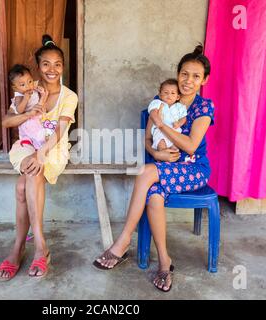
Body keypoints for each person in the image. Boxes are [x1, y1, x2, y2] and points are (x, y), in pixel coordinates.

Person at [93, 45, 215, 293]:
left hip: (194, 169)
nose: (188, 81)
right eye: (184, 74)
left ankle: (124, 240)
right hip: (164, 165)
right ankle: (164, 262)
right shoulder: (160, 102)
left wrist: (162, 124)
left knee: (146, 172)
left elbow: (191, 146)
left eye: (195, 76)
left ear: (204, 80)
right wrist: (156, 152)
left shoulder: (204, 107)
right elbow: (148, 139)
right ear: (177, 73)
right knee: (154, 195)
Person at [0, 35, 78, 281]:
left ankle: (21, 247)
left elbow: (61, 130)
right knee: (28, 179)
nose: (52, 70)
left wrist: (41, 154)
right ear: (38, 66)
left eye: (58, 64)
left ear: (63, 67)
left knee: (24, 184)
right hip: (26, 146)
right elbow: (7, 121)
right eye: (46, 64)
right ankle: (40, 246)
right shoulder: (27, 92)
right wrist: (29, 111)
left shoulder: (69, 96)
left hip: (53, 148)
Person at [7, 64, 49, 173]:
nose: (28, 86)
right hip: (27, 122)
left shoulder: (33, 88)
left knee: (43, 134)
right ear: (15, 88)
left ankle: (40, 149)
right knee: (35, 136)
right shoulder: (19, 96)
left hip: (37, 118)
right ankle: (35, 149)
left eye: (29, 81)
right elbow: (20, 110)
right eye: (22, 84)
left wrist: (43, 94)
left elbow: (39, 103)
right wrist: (26, 98)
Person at [148, 79, 187, 152]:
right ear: (160, 95)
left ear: (177, 97)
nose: (169, 95)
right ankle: (163, 154)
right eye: (166, 92)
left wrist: (179, 123)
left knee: (175, 149)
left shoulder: (180, 106)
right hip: (160, 131)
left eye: (173, 93)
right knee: (161, 144)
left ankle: (171, 158)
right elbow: (152, 112)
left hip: (175, 133)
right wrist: (157, 121)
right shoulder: (158, 103)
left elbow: (184, 118)